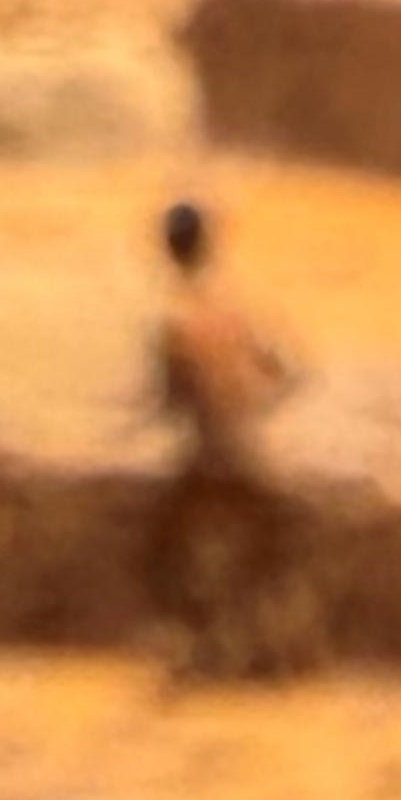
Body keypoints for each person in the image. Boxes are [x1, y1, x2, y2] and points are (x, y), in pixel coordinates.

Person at [143, 190, 301, 671]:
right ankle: (268, 649)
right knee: (261, 557)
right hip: (256, 455)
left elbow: (167, 404)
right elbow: (290, 372)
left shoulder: (175, 322)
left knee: (164, 549)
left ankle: (198, 647)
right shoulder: (236, 309)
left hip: (210, 459)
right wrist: (251, 410)